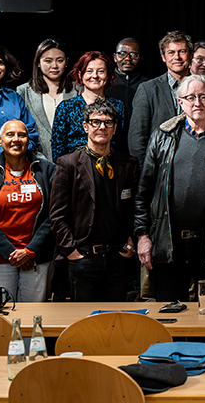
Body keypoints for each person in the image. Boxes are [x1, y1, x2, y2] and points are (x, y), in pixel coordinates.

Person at [135, 74, 205, 303]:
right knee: (170, 314)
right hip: (169, 243)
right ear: (181, 102)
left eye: (203, 97)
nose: (197, 102)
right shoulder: (162, 137)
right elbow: (144, 193)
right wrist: (142, 235)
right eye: (191, 97)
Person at [49, 99, 138, 302]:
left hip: (118, 257)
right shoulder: (68, 163)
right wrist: (71, 251)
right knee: (84, 319)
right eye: (96, 122)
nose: (102, 127)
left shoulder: (128, 164)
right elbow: (57, 215)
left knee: (117, 317)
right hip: (83, 257)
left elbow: (136, 207)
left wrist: (131, 242)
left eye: (108, 122)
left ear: (115, 128)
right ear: (85, 126)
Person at [0, 119, 55, 302]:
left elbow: (53, 214)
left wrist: (30, 251)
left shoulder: (47, 170)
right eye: (10, 135)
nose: (16, 139)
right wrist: (11, 253)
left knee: (34, 314)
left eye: (22, 135)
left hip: (37, 258)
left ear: (28, 140)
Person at [50, 52, 125, 161]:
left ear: (108, 75)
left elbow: (122, 145)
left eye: (101, 71)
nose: (95, 76)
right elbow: (58, 150)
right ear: (80, 75)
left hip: (109, 165)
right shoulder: (66, 107)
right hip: (74, 166)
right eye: (89, 71)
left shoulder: (118, 106)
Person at [128, 31, 192, 158]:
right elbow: (137, 139)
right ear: (163, 57)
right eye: (171, 52)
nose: (177, 57)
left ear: (191, 55)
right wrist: (146, 169)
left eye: (182, 52)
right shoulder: (147, 90)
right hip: (159, 165)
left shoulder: (204, 88)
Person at [16, 39, 73, 161]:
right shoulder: (24, 92)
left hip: (73, 162)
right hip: (37, 162)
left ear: (66, 62)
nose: (54, 66)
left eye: (60, 60)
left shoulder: (78, 90)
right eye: (48, 61)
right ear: (38, 63)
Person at [109, 38, 145, 134]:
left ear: (141, 59)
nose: (128, 58)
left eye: (134, 55)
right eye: (122, 54)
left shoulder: (148, 85)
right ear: (115, 57)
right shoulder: (106, 83)